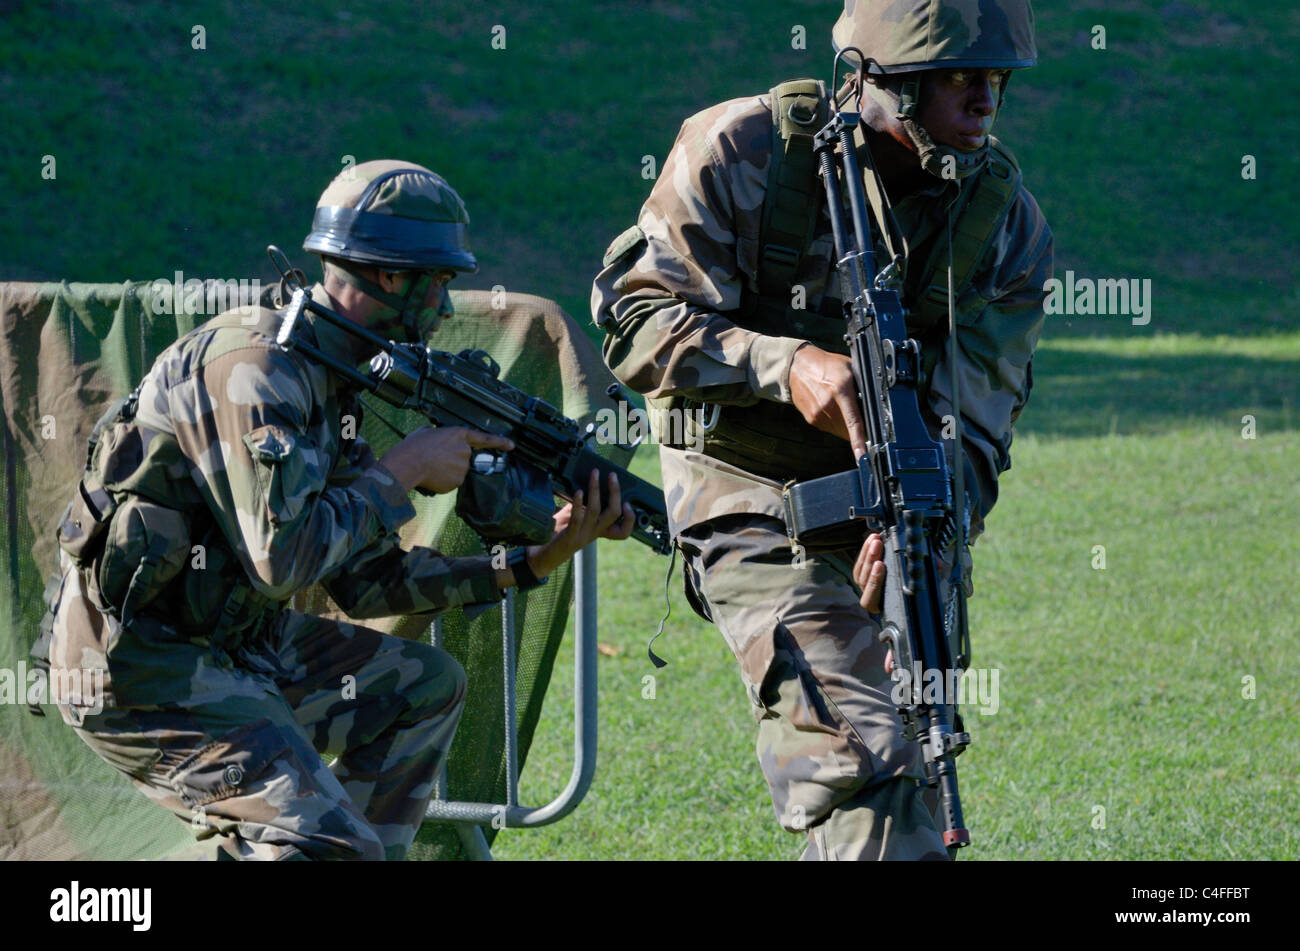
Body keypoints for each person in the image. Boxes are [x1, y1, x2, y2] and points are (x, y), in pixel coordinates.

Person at [46, 159, 634, 860]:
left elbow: (369, 583)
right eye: (440, 282)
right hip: (140, 667)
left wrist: (532, 562)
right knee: (321, 841)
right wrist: (405, 469)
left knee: (425, 686)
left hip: (237, 644)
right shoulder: (257, 368)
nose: (446, 308)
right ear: (390, 275)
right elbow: (279, 561)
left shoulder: (328, 375)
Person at [592, 1, 1052, 859]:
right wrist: (783, 362)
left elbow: (981, 419)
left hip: (899, 521)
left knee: (912, 762)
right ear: (880, 77)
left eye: (996, 79)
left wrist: (935, 520)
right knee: (863, 759)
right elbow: (633, 320)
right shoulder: (746, 151)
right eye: (957, 76)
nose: (984, 100)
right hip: (745, 487)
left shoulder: (1002, 226)